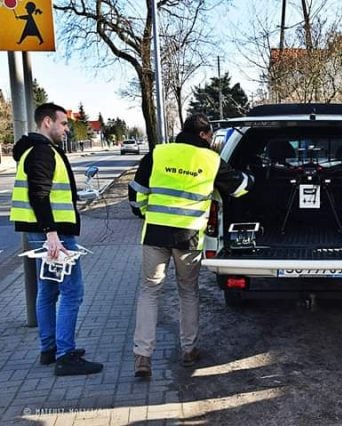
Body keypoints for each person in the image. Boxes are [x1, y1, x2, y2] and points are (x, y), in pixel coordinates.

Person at [129, 113, 254, 378]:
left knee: (150, 291)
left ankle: (143, 357)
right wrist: (253, 177)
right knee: (188, 292)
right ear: (203, 135)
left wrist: (143, 212)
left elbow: (136, 191)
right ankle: (189, 350)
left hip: (155, 234)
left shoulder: (158, 153)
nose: (210, 141)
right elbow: (240, 188)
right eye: (209, 136)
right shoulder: (210, 160)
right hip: (187, 238)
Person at [10, 102, 103, 376]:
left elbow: (48, 193)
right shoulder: (41, 151)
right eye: (63, 124)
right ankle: (65, 355)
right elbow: (38, 194)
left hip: (43, 233)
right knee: (73, 292)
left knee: (48, 291)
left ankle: (49, 349)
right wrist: (52, 234)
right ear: (47, 122)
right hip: (54, 236)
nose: (66, 129)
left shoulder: (32, 149)